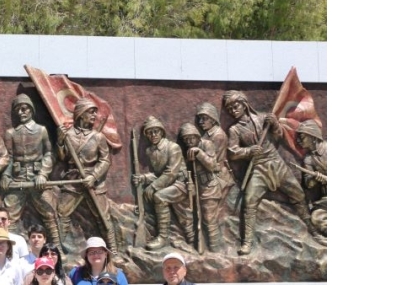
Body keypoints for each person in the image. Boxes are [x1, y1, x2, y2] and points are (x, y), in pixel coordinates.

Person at [223, 90, 323, 254]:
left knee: (298, 195)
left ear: (244, 104)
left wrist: (275, 124)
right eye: (229, 109)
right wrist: (248, 151)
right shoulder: (234, 130)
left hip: (277, 164)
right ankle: (247, 242)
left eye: (236, 106)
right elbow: (233, 152)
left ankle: (313, 231)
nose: (233, 110)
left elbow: (278, 136)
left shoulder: (263, 118)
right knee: (249, 201)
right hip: (258, 168)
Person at [55, 97, 122, 260]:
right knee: (62, 213)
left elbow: (105, 160)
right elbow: (62, 157)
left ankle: (113, 251)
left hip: (94, 182)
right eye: (90, 112)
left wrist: (93, 176)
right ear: (81, 114)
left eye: (95, 113)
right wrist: (60, 142)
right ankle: (59, 250)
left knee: (104, 217)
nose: (94, 116)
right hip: (73, 180)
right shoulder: (68, 135)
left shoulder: (98, 137)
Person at [0, 94, 63, 245]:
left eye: (25, 108)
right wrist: (6, 176)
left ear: (31, 110)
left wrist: (43, 174)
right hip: (17, 179)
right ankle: (9, 248)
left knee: (49, 213)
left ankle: (57, 249)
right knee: (9, 216)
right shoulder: (11, 133)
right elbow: (9, 157)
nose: (21, 112)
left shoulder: (41, 130)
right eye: (18, 110)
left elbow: (49, 153)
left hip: (37, 179)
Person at [131, 116, 195, 252]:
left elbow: (171, 172)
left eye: (156, 131)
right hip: (168, 184)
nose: (153, 135)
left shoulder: (173, 148)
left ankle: (163, 237)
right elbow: (158, 174)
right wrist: (143, 178)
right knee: (184, 220)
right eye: (150, 132)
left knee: (160, 197)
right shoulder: (150, 151)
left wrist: (154, 186)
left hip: (181, 184)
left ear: (162, 132)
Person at [178, 123, 232, 252]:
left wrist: (199, 153)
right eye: (186, 139)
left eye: (192, 138)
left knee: (209, 218)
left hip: (209, 185)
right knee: (195, 216)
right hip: (195, 186)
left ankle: (215, 249)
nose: (189, 141)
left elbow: (212, 165)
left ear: (197, 136)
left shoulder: (206, 144)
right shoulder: (185, 150)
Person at [295, 121, 327, 237]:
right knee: (317, 217)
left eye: (302, 137)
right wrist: (316, 178)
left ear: (313, 136)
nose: (298, 140)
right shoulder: (308, 159)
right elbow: (309, 184)